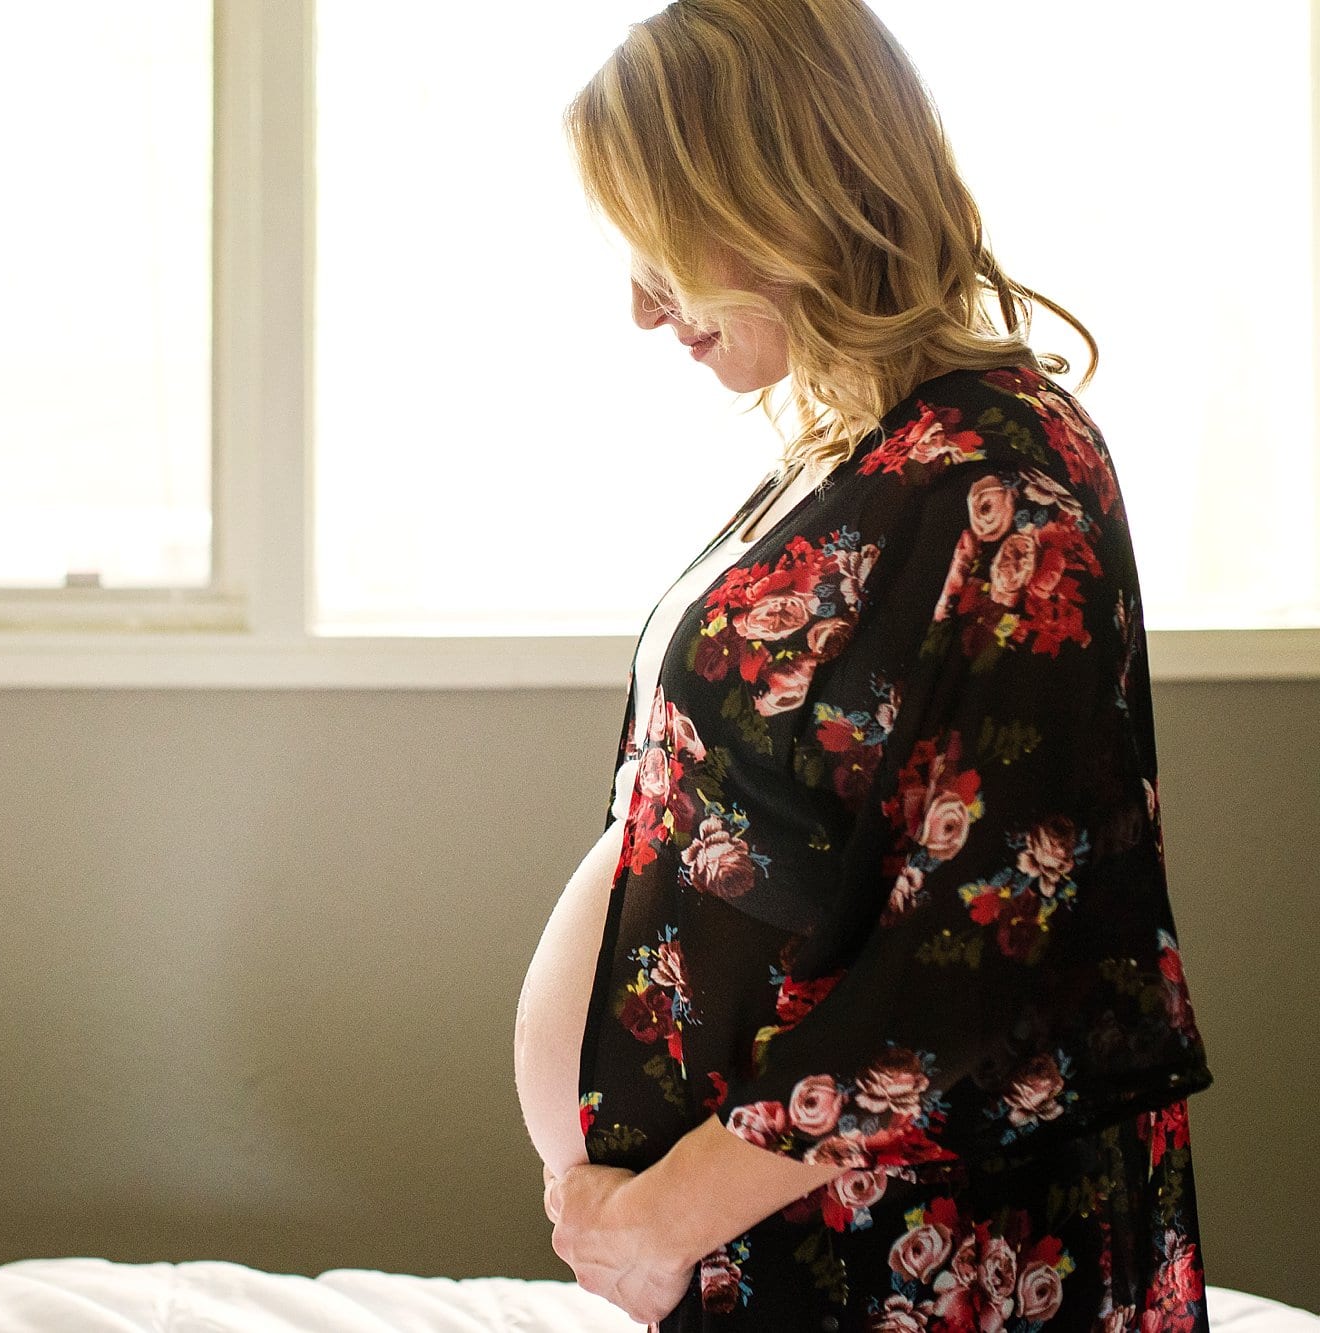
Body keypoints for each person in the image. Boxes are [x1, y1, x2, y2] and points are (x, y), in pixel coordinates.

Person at [508, 1, 1214, 1329]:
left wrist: (670, 1208)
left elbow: (997, 949)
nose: (643, 307)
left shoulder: (1010, 479)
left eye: (663, 246)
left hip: (906, 1250)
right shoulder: (849, 451)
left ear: (788, 194)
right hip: (775, 1235)